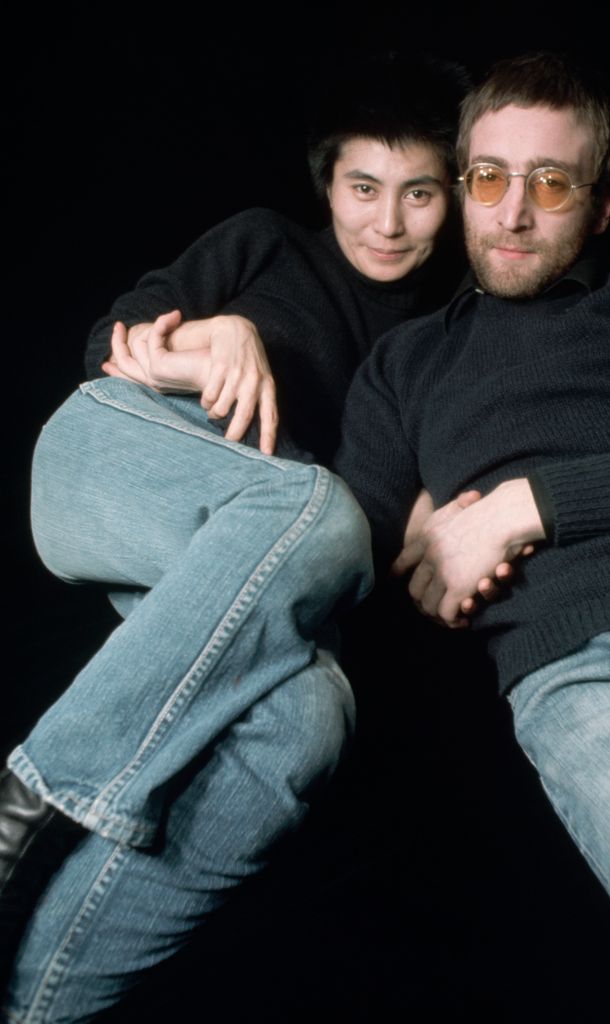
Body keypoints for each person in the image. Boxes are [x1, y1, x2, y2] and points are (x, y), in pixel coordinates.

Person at [0, 53, 469, 1021]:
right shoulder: (263, 242)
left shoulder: (440, 344)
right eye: (364, 187)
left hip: (233, 550)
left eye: (418, 193)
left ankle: (35, 1003)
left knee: (309, 719)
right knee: (315, 508)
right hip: (111, 460)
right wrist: (219, 338)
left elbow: (365, 542)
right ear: (326, 184)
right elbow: (113, 344)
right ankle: (26, 806)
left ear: (452, 197)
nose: (387, 222)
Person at [336, 52, 610, 1024]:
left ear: (600, 206)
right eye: (488, 178)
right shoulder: (404, 365)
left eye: (551, 183)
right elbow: (339, 551)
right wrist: (421, 546)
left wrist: (524, 506)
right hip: (592, 689)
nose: (513, 213)